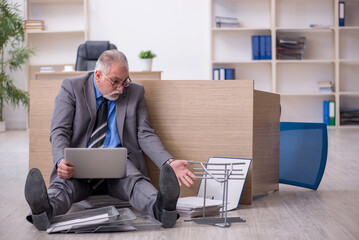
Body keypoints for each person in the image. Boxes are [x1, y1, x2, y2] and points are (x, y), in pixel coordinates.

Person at [24, 49, 196, 231]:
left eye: (125, 81)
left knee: (135, 182)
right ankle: (43, 210)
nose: (121, 88)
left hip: (120, 164)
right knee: (64, 186)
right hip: (81, 164)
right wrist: (61, 160)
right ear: (98, 75)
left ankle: (163, 209)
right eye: (115, 82)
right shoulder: (72, 87)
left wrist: (168, 162)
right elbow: (59, 130)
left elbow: (145, 134)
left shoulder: (135, 92)